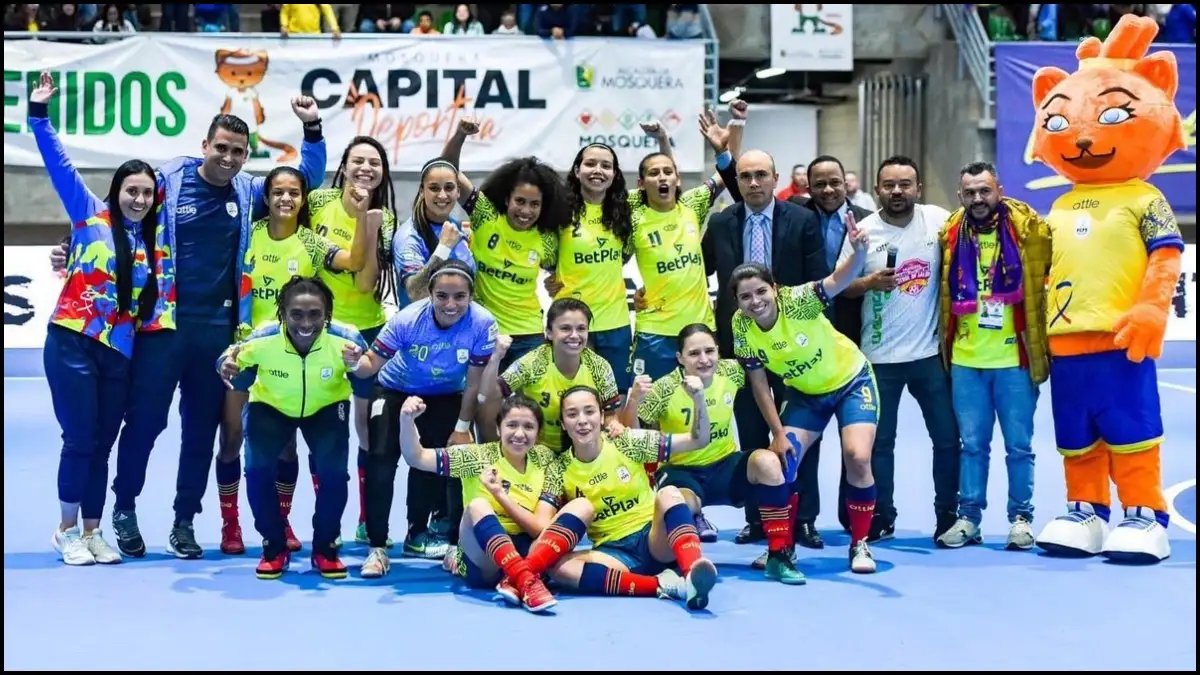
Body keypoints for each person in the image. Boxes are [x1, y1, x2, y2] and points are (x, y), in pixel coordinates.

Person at [48, 96, 328, 559]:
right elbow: (120, 212)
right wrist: (71, 244)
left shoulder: (246, 192)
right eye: (222, 147)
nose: (229, 158)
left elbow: (301, 182)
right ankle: (124, 509)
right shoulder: (169, 183)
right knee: (144, 425)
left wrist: (312, 130)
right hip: (163, 330)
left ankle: (183, 521)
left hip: (218, 336)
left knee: (200, 432)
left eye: (239, 151)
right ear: (205, 145)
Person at [212, 167, 379, 555]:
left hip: (296, 352)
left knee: (286, 448)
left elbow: (355, 261)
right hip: (249, 351)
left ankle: (282, 522)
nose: (285, 199)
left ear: (304, 200)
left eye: (294, 193)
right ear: (266, 198)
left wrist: (361, 215)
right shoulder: (246, 235)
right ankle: (230, 524)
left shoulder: (310, 241)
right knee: (232, 439)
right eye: (277, 192)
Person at [30, 71, 159, 565]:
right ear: (117, 189)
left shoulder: (154, 244)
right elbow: (58, 165)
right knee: (79, 438)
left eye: (147, 193)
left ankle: (93, 529)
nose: (139, 199)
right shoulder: (89, 216)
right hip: (72, 342)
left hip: (118, 354)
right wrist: (39, 114)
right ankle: (65, 530)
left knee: (103, 443)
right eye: (133, 190)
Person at [701, 102, 827, 550]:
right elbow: (698, 272)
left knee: (798, 434)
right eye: (745, 176)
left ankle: (805, 518)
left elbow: (817, 284)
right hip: (739, 345)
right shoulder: (720, 223)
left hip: (793, 345)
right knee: (752, 431)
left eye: (761, 175)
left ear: (777, 180)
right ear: (736, 182)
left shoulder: (804, 219)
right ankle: (758, 517)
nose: (753, 183)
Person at [730, 220, 881, 574]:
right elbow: (759, 384)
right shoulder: (741, 326)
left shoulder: (798, 302)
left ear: (775, 289)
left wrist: (859, 253)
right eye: (745, 296)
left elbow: (837, 281)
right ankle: (781, 549)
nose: (755, 301)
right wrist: (779, 434)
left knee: (857, 456)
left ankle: (860, 544)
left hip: (851, 382)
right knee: (780, 461)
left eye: (761, 292)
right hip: (805, 394)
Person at [839, 155, 960, 542]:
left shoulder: (939, 221)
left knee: (946, 438)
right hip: (879, 359)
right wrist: (868, 281)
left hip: (929, 357)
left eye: (904, 184)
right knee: (880, 445)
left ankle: (948, 515)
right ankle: (881, 516)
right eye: (888, 185)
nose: (896, 191)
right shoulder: (863, 232)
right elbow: (841, 284)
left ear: (918, 189)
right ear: (876, 190)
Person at [624, 324, 805, 584]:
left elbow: (762, 378)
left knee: (769, 463)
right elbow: (634, 438)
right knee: (679, 502)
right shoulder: (664, 388)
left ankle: (779, 555)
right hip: (682, 472)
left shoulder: (730, 372)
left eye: (710, 351)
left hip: (725, 468)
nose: (704, 359)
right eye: (694, 353)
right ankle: (691, 562)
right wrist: (634, 401)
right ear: (680, 358)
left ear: (719, 352)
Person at [350, 260, 498, 571]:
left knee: (444, 462)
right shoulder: (407, 320)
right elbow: (369, 365)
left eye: (460, 297)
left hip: (444, 395)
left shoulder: (482, 323)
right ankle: (377, 547)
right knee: (381, 458)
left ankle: (419, 535)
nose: (450, 304)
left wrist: (462, 428)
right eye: (442, 296)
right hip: (394, 390)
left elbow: (473, 383)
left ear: (471, 297)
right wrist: (353, 363)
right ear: (429, 294)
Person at [217, 276, 366, 579]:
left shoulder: (346, 338)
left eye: (315, 314)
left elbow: (369, 364)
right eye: (297, 314)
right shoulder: (263, 337)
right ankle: (274, 545)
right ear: (282, 313)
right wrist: (225, 364)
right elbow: (230, 354)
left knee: (335, 475)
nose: (306, 323)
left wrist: (358, 362)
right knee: (257, 471)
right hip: (271, 407)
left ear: (328, 314)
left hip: (325, 408)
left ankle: (325, 548)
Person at [936, 162, 1051, 550]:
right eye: (969, 193)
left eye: (984, 190)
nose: (978, 199)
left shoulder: (1027, 229)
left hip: (1015, 360)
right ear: (960, 195)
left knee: (1019, 446)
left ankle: (1021, 518)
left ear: (999, 189)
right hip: (967, 360)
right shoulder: (951, 233)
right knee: (972, 445)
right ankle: (969, 518)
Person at [521, 385, 719, 610]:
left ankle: (693, 571)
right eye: (572, 414)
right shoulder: (559, 468)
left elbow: (698, 440)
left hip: (654, 540)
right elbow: (544, 525)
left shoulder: (627, 442)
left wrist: (699, 399)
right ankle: (661, 585)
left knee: (669, 494)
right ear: (564, 425)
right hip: (613, 554)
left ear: (602, 416)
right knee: (558, 567)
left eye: (589, 411)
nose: (582, 420)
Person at [306, 136, 400, 549]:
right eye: (358, 160)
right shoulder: (315, 202)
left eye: (374, 163)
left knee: (368, 433)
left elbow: (365, 282)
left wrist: (365, 219)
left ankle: (366, 521)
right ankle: (323, 523)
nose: (366, 168)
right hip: (319, 332)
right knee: (324, 430)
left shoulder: (386, 218)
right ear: (343, 166)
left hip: (368, 332)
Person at [786, 154, 877, 552]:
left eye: (833, 182)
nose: (827, 190)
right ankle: (804, 520)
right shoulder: (795, 217)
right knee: (805, 446)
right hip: (802, 341)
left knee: (857, 444)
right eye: (818, 183)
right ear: (807, 184)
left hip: (852, 335)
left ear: (847, 183)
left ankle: (857, 521)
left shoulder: (868, 221)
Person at [399, 395, 560, 612]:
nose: (520, 434)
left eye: (529, 427)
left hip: (527, 550)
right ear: (498, 429)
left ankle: (518, 576)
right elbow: (416, 457)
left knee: (577, 507)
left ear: (538, 433)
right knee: (477, 505)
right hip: (484, 559)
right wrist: (406, 420)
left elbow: (542, 525)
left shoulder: (545, 458)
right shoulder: (476, 457)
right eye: (511, 425)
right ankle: (524, 579)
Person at [440, 118, 568, 369]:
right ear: (507, 198)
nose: (526, 211)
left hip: (528, 336)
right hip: (482, 331)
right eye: (520, 201)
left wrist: (556, 282)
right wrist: (460, 136)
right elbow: (446, 170)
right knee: (482, 405)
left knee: (522, 408)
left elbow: (561, 273)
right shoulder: (485, 215)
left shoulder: (547, 239)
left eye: (535, 204)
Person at [543, 143, 635, 392]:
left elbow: (625, 256)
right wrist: (552, 276)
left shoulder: (627, 209)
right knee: (567, 395)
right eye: (590, 164)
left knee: (615, 399)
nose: (598, 170)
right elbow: (547, 257)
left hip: (614, 323)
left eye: (606, 165)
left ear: (615, 174)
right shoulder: (559, 212)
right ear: (576, 170)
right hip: (569, 322)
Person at [488, 298, 622, 452]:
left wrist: (614, 425)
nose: (574, 335)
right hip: (538, 452)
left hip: (585, 451)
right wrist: (495, 359)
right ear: (549, 333)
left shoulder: (600, 367)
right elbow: (491, 396)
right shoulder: (532, 363)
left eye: (581, 328)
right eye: (565, 328)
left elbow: (610, 415)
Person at [395, 158, 475, 307]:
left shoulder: (455, 227)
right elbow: (415, 294)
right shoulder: (409, 236)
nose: (443, 195)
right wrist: (443, 249)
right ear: (422, 191)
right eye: (434, 188)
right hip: (421, 327)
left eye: (449, 188)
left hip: (457, 325)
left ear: (458, 192)